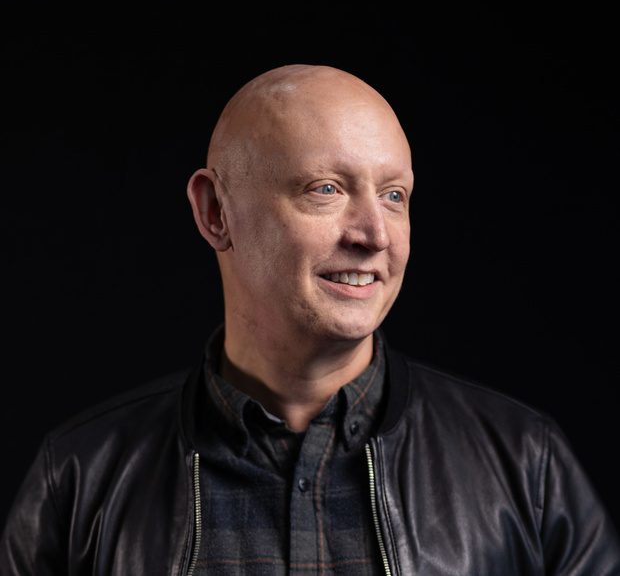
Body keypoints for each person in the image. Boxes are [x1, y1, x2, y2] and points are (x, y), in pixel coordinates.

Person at [1, 64, 619, 575]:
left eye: (394, 195)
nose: (375, 235)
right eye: (326, 189)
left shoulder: (528, 464)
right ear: (216, 212)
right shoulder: (77, 478)